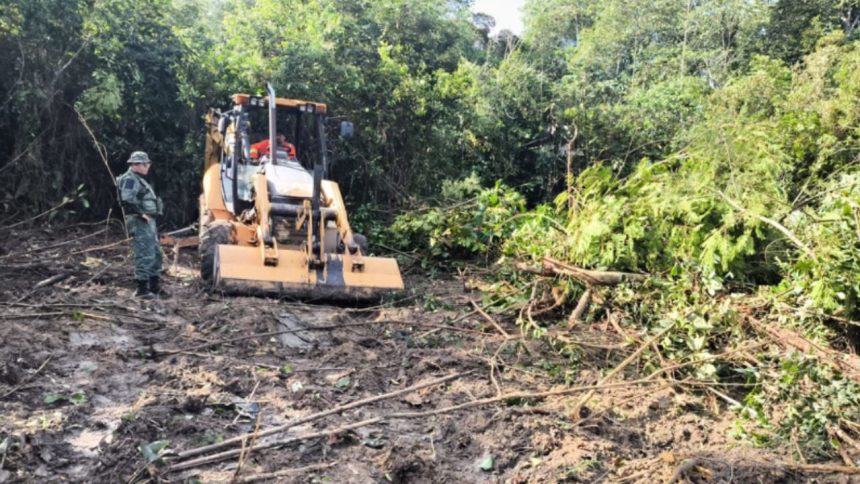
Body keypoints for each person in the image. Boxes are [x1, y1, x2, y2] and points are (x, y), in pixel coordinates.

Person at [117, 151, 168, 299]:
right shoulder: (130, 179)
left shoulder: (138, 179)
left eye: (148, 163)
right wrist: (141, 214)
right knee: (145, 253)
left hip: (147, 222)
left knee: (155, 253)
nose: (148, 166)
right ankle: (142, 290)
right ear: (135, 165)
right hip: (140, 221)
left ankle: (154, 287)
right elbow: (126, 200)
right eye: (145, 164)